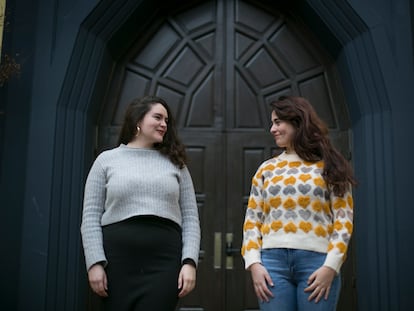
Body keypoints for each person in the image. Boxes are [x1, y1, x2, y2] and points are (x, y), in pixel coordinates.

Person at [81, 95, 201, 310]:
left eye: (166, 120)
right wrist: (95, 263)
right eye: (158, 117)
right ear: (138, 120)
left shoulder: (176, 164)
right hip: (116, 263)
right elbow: (90, 217)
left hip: (164, 263)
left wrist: (189, 262)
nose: (164, 124)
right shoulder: (106, 161)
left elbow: (191, 218)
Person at [241, 96, 357, 311]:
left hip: (317, 264)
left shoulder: (330, 166)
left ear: (297, 122)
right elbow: (252, 220)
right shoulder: (266, 170)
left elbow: (343, 220)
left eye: (278, 122)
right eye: (272, 123)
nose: (272, 129)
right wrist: (254, 263)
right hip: (272, 264)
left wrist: (331, 266)